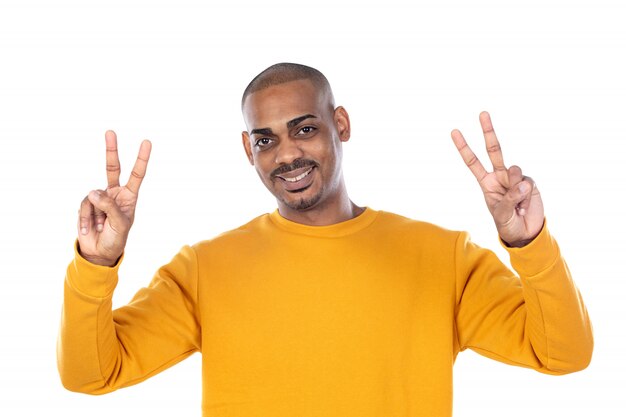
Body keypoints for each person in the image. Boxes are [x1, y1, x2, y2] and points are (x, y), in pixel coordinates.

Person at [57, 63, 593, 417]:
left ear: (341, 123)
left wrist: (530, 244)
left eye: (305, 128)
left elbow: (564, 354)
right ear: (248, 149)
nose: (285, 154)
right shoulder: (205, 268)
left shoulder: (443, 258)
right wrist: (95, 264)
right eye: (265, 140)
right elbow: (90, 375)